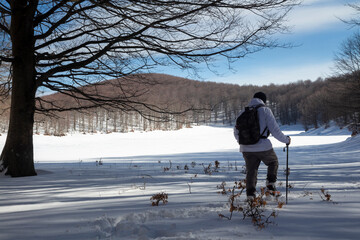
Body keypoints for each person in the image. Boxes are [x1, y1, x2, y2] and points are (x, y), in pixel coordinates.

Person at [234, 92, 291, 200]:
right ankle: (270, 185)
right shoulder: (265, 111)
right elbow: (275, 130)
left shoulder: (243, 112)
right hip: (263, 146)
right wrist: (286, 140)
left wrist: (244, 143)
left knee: (251, 170)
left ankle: (250, 196)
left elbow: (236, 131)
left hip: (246, 148)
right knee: (273, 162)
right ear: (263, 100)